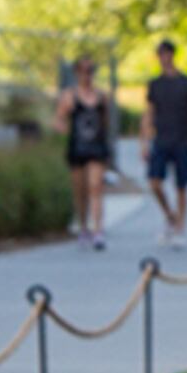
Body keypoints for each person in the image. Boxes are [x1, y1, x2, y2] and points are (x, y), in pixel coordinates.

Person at [142, 38, 187, 242]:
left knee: (181, 185)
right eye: (160, 55)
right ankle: (170, 216)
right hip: (161, 139)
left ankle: (180, 227)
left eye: (166, 54)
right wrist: (144, 142)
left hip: (183, 139)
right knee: (154, 182)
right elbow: (148, 113)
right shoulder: (155, 85)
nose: (164, 58)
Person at [59, 57, 117, 248]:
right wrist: (62, 128)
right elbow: (59, 120)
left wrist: (108, 149)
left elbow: (106, 123)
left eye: (90, 70)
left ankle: (98, 230)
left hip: (96, 148)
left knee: (96, 186)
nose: (87, 75)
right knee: (80, 191)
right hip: (77, 147)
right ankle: (83, 226)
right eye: (84, 71)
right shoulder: (69, 96)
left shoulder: (101, 96)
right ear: (77, 73)